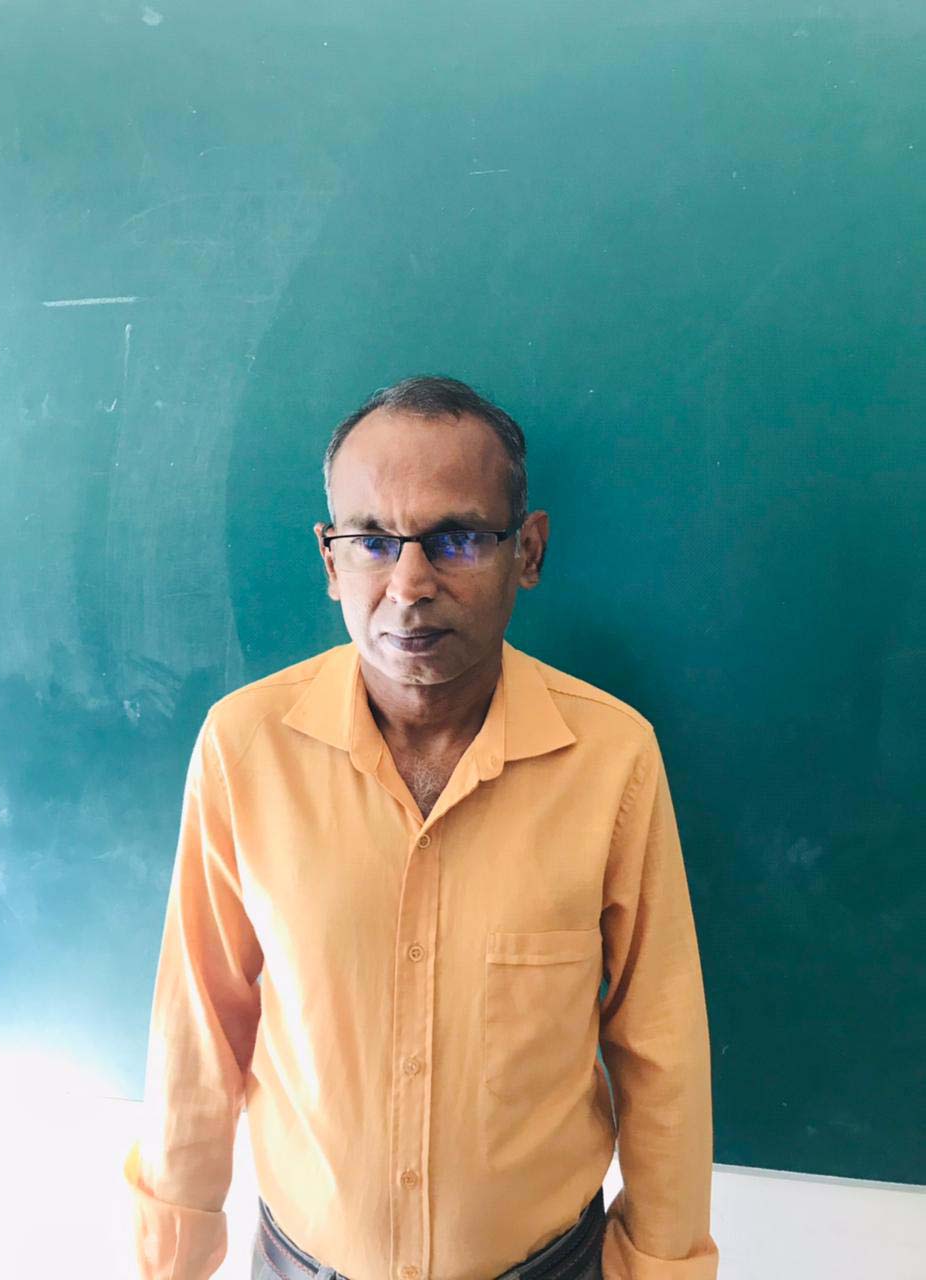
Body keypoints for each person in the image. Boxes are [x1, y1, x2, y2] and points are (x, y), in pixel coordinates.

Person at [125, 375, 719, 1280]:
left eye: (458, 538)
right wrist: (171, 1258)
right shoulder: (245, 747)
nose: (409, 584)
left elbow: (660, 1042)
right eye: (372, 541)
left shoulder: (612, 759)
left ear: (528, 551)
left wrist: (664, 1266)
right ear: (331, 561)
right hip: (301, 1261)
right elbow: (199, 1023)